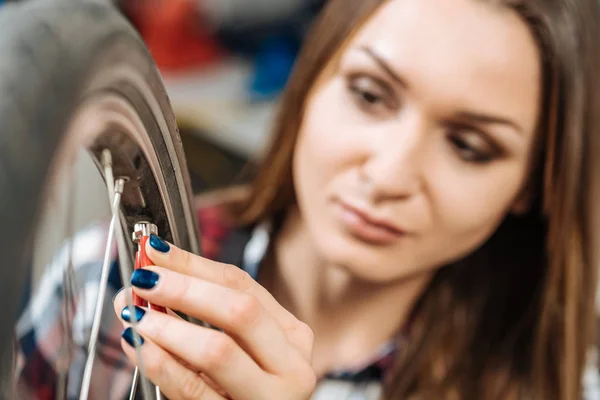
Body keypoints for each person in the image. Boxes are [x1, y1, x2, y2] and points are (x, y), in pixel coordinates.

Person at [16, 0, 600, 398]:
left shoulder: (557, 383)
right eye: (370, 94)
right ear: (310, 83)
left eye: (470, 146)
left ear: (532, 185)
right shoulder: (110, 278)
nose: (389, 174)